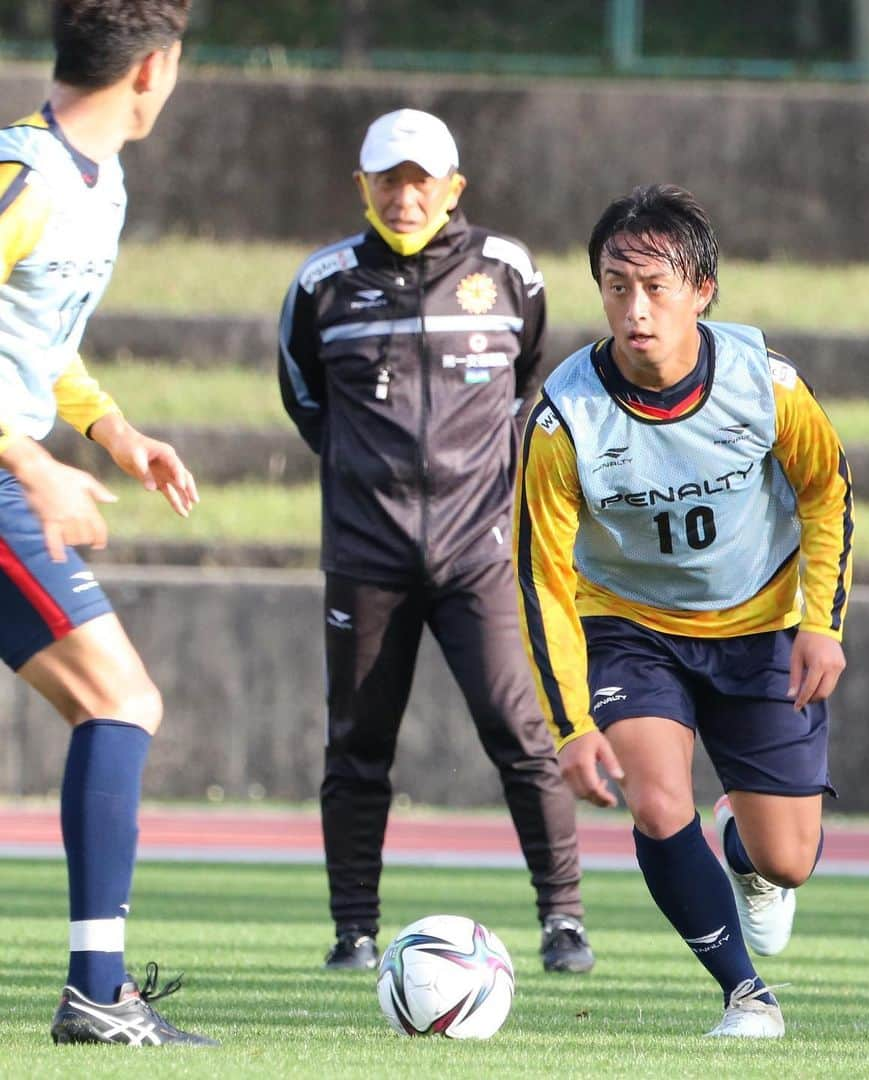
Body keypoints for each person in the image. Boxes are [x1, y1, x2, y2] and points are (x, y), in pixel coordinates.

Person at [514, 184, 853, 1038]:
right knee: (658, 802)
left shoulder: (764, 383)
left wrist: (822, 623)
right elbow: (542, 576)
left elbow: (827, 490)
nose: (635, 310)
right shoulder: (564, 420)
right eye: (616, 287)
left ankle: (746, 848)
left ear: (702, 291)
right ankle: (746, 995)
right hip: (629, 629)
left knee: (791, 860)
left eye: (656, 287)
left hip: (761, 626)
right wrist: (570, 725)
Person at [278, 108, 594, 975]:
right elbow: (307, 404)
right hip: (366, 557)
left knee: (520, 732)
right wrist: (367, 486)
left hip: (478, 553)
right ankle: (353, 931)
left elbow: (526, 387)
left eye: (422, 179)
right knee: (357, 745)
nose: (405, 195)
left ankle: (563, 919)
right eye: (389, 179)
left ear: (454, 187)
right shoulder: (322, 286)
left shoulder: (509, 273)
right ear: (363, 187)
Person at [0, 0, 216, 1047]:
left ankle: (99, 987)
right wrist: (34, 465)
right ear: (153, 70)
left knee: (121, 701)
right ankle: (96, 991)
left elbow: (37, 340)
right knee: (121, 699)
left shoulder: (100, 181)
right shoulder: (25, 176)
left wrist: (113, 429)